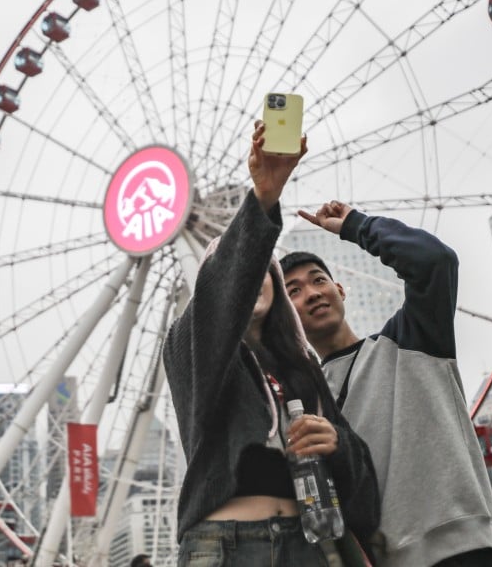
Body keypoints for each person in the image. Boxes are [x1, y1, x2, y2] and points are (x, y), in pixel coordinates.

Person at [163, 124, 380, 565]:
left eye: (266, 270)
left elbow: (361, 472)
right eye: (246, 270)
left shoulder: (301, 367)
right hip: (226, 545)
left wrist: (335, 441)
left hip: (311, 543)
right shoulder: (189, 346)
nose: (254, 278)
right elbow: (223, 289)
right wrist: (265, 194)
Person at [280, 201, 492, 567]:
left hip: (460, 549)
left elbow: (435, 262)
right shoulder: (304, 405)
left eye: (319, 280)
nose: (312, 293)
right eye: (293, 291)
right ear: (285, 316)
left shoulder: (412, 338)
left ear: (341, 290)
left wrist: (356, 225)